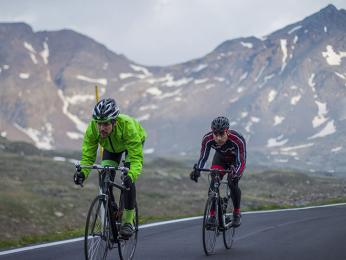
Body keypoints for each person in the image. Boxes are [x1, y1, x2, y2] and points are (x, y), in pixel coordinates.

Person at [73, 98, 147, 237]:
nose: (101, 128)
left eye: (106, 124)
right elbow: (88, 157)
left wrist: (131, 175)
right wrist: (83, 172)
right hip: (110, 148)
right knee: (104, 176)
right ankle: (112, 209)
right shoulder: (93, 129)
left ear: (114, 121)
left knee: (129, 181)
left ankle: (127, 222)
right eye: (99, 123)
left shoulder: (127, 126)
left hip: (131, 145)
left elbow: (136, 159)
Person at [190, 116, 246, 227]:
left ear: (227, 132)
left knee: (232, 182)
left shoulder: (237, 139)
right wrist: (198, 170)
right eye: (216, 134)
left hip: (235, 161)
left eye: (222, 134)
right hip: (220, 159)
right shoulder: (208, 139)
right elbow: (203, 158)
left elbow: (241, 161)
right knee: (214, 179)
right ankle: (212, 215)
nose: (219, 138)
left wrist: (236, 174)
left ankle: (236, 213)